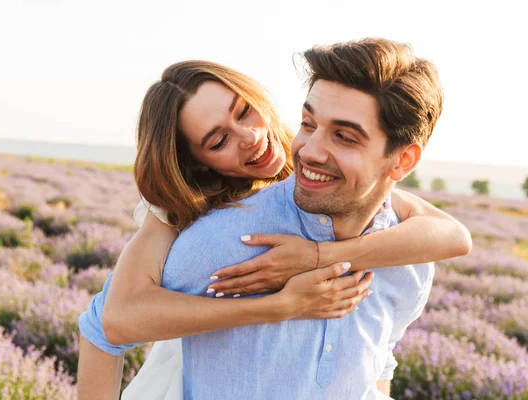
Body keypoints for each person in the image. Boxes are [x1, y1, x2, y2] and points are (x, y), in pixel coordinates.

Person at [78, 38, 471, 399]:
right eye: (218, 141)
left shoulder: (391, 235)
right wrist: (278, 306)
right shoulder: (202, 232)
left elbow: (451, 238)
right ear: (199, 165)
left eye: (244, 112)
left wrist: (318, 256)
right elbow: (110, 323)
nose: (249, 137)